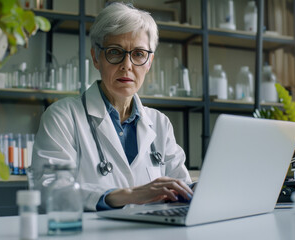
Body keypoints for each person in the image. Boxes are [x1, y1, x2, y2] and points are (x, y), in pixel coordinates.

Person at [31, 2, 193, 211]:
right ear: (96, 58)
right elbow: (49, 189)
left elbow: (182, 185)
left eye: (138, 54)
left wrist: (198, 189)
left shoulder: (160, 123)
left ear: (149, 61)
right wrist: (127, 195)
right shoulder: (63, 116)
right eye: (115, 52)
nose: (127, 65)